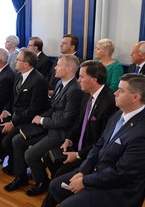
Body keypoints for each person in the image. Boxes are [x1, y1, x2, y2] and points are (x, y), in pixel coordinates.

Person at [49, 73, 145, 207]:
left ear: (135, 97)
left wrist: (85, 181)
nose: (115, 93)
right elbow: (99, 145)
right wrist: (82, 171)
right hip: (98, 173)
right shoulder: (119, 114)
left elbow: (121, 173)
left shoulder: (141, 132)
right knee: (55, 186)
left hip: (118, 189)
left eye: (121, 91)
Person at [4, 54, 83, 196]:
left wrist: (42, 121)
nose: (55, 68)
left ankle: (42, 182)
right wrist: (41, 117)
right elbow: (53, 108)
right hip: (49, 126)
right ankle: (21, 176)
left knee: (30, 154)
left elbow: (66, 121)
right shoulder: (61, 83)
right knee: (17, 140)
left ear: (69, 69)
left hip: (60, 133)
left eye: (58, 65)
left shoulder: (75, 90)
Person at [41, 61, 118, 207]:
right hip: (78, 147)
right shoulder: (87, 95)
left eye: (82, 77)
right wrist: (69, 139)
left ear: (94, 79)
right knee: (49, 158)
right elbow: (79, 123)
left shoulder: (109, 103)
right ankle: (67, 193)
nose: (78, 80)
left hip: (91, 155)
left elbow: (102, 141)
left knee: (59, 175)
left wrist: (78, 155)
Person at [0, 48, 48, 171]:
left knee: (7, 141)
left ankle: (17, 165)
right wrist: (6, 111)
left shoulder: (38, 80)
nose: (15, 62)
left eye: (18, 60)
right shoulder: (18, 75)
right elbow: (12, 98)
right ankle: (14, 159)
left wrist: (13, 123)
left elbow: (33, 109)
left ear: (26, 64)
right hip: (14, 115)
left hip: (27, 120)